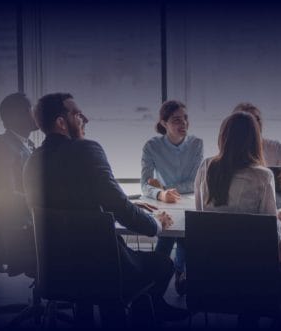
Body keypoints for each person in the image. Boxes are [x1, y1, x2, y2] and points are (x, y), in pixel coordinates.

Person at [23, 93, 188, 325]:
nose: (85, 119)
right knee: (163, 264)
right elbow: (120, 208)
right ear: (61, 122)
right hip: (104, 269)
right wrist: (156, 224)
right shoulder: (86, 150)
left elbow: (71, 200)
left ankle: (125, 314)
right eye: (78, 114)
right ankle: (140, 317)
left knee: (110, 280)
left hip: (57, 271)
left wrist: (123, 203)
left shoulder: (32, 161)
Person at [193, 111, 281, 326]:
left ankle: (250, 316)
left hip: (212, 272)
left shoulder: (205, 167)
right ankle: (275, 318)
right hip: (253, 276)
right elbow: (267, 240)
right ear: (254, 140)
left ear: (223, 137)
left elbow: (201, 216)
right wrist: (279, 221)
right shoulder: (262, 175)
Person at [141, 100, 203, 296]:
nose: (183, 123)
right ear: (164, 123)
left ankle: (175, 273)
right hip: (163, 203)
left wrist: (165, 188)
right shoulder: (151, 146)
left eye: (185, 118)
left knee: (186, 231)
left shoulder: (196, 144)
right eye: (177, 119)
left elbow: (195, 182)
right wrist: (159, 193)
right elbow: (145, 184)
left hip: (189, 202)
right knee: (168, 234)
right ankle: (165, 277)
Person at [232, 102, 281, 268]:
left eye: (256, 118)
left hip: (275, 203)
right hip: (256, 221)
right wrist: (278, 220)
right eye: (246, 119)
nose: (253, 123)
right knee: (278, 235)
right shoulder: (264, 175)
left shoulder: (274, 147)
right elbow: (271, 232)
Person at [0, 93, 38, 276]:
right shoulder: (1, 147)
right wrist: (43, 203)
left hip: (30, 225)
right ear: (19, 115)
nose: (35, 113)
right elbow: (4, 195)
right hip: (19, 232)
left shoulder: (24, 144)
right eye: (31, 109)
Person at [232, 102, 281, 167]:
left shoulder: (275, 148)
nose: (256, 123)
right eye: (250, 120)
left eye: (257, 119)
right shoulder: (231, 151)